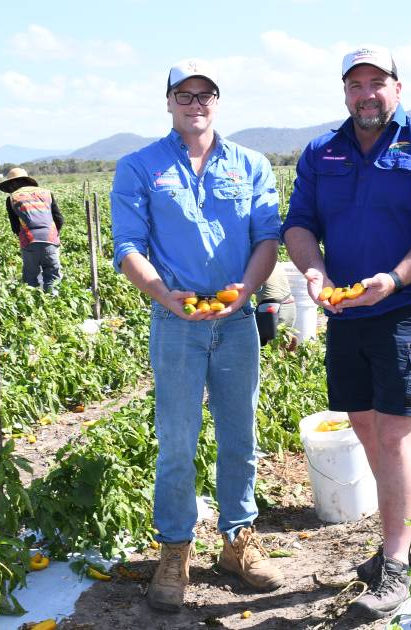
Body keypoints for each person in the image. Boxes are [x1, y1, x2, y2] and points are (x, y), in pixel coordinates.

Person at [282, 45, 411, 619]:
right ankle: (406, 538)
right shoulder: (323, 151)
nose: (366, 94)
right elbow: (299, 224)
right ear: (345, 93)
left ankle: (395, 565)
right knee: (363, 424)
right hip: (346, 313)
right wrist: (314, 269)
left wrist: (394, 277)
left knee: (393, 435)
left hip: (407, 307)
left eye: (377, 83)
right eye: (355, 85)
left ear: (398, 87)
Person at [109, 58, 283, 613]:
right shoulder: (139, 167)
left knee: (240, 435)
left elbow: (266, 240)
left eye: (205, 94)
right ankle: (176, 548)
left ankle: (238, 541)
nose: (196, 103)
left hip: (235, 322)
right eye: (184, 95)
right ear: (168, 102)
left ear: (217, 101)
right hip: (175, 324)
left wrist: (247, 291)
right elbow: (127, 247)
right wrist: (165, 296)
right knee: (177, 442)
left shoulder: (251, 165)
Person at [0, 167, 64, 293]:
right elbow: (59, 219)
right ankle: (53, 305)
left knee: (30, 278)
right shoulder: (46, 193)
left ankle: (34, 306)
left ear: (12, 184)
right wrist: (54, 235)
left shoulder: (12, 198)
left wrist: (24, 237)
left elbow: (15, 226)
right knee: (52, 276)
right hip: (50, 238)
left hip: (29, 239)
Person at [253, 265, 296, 347]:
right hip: (289, 305)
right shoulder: (274, 261)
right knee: (283, 344)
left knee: (264, 346)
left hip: (270, 308)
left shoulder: (254, 263)